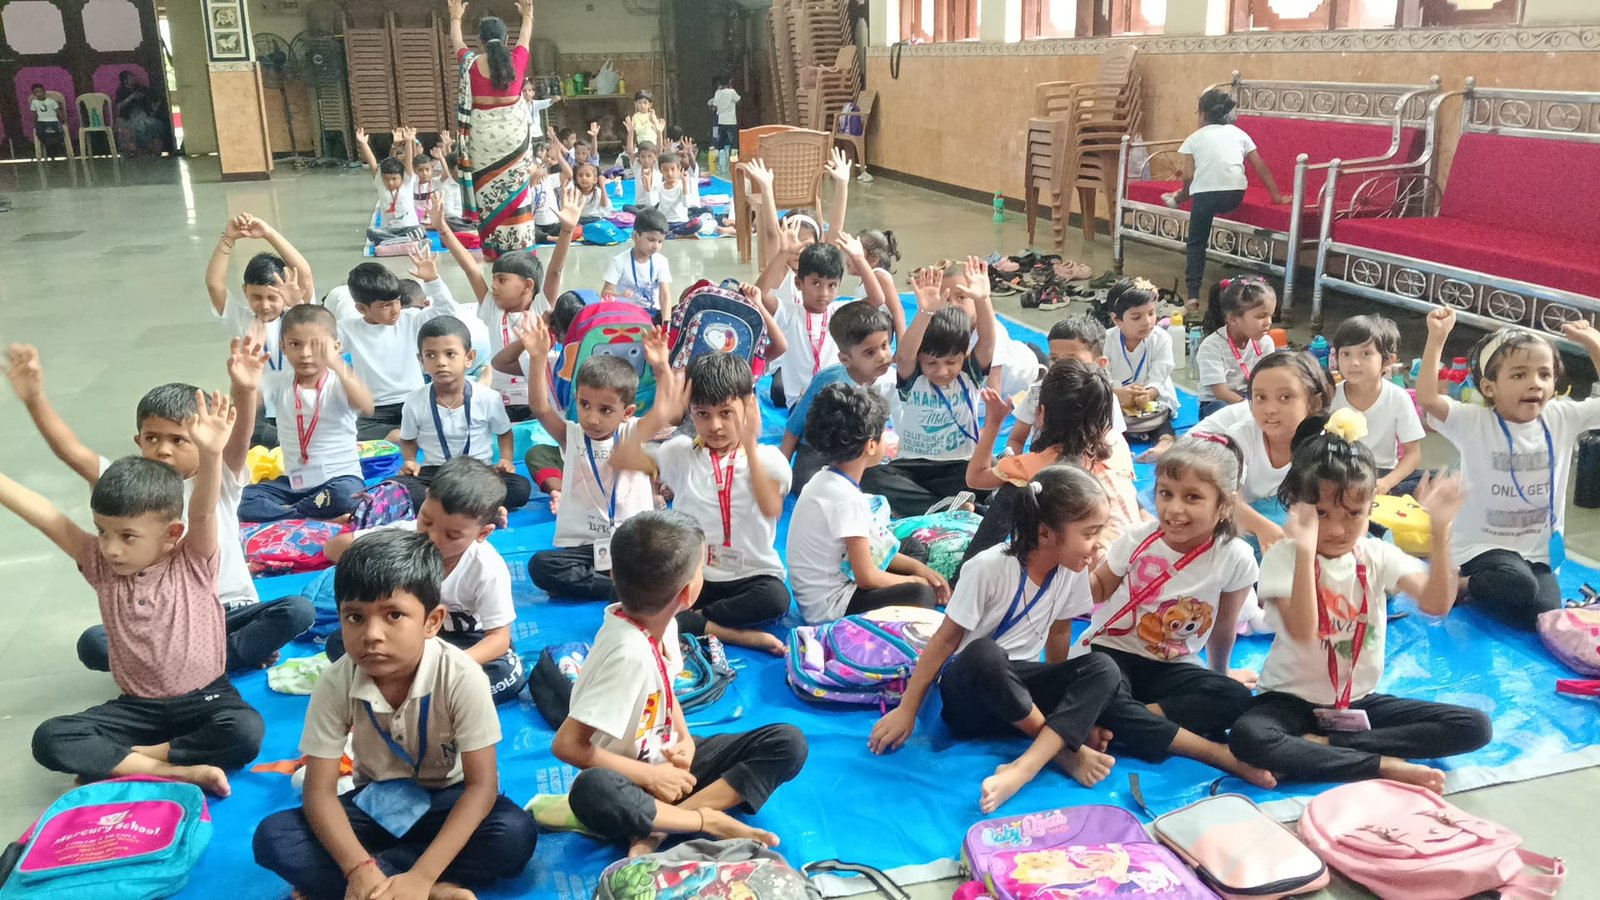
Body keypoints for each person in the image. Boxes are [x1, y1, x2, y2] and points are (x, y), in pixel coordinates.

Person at [252, 530, 537, 898]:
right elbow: (319, 792)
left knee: (514, 834)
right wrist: (359, 868)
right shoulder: (336, 681)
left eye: (394, 615)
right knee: (275, 838)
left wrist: (420, 875)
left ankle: (397, 882)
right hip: (378, 803)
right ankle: (431, 890)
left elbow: (481, 787)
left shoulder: (462, 676)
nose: (372, 634)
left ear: (432, 621)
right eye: (355, 617)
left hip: (448, 799)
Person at [6, 341, 314, 671]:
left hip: (228, 610)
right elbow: (71, 451)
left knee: (295, 611)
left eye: (178, 440)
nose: (163, 450)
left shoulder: (218, 475)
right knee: (94, 643)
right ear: (138, 441)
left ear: (205, 440)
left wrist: (245, 389)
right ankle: (220, 657)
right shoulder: (128, 486)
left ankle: (202, 660)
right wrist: (35, 399)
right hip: (161, 624)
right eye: (152, 438)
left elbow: (239, 436)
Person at [17, 394, 263, 794]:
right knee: (51, 737)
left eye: (127, 536)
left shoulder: (193, 559)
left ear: (172, 534)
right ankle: (176, 770)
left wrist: (211, 454)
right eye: (102, 532)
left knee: (245, 730)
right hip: (138, 707)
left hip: (205, 697)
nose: (111, 548)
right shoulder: (99, 563)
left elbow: (201, 511)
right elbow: (44, 514)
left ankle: (133, 758)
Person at [1229, 413, 1489, 791]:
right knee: (1248, 737)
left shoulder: (1375, 554)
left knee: (1474, 727)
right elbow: (1303, 631)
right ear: (1297, 507)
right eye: (1321, 514)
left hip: (1356, 702)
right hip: (1288, 701)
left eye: (1353, 514)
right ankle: (1380, 764)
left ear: (1371, 508)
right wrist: (1305, 552)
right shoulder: (1284, 556)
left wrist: (1439, 533)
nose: (1337, 529)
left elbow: (1436, 605)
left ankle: (1324, 748)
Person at [870, 465, 1123, 813]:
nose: (1098, 544)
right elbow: (944, 641)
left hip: (1020, 700)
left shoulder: (1073, 570)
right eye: (1090, 533)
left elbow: (1060, 631)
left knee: (1104, 667)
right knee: (984, 654)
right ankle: (1056, 754)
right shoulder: (987, 567)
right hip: (971, 695)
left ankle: (1040, 749)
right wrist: (907, 710)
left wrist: (1064, 700)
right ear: (1046, 533)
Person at [553, 510, 807, 856]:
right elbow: (567, 745)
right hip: (628, 778)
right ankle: (702, 820)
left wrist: (684, 740)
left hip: (667, 759)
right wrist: (650, 778)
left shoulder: (663, 624)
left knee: (788, 742)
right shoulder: (627, 654)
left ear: (613, 574)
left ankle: (662, 825)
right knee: (592, 790)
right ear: (688, 593)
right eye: (701, 568)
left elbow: (665, 688)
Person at [1076, 434, 1275, 787]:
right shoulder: (1138, 538)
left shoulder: (1236, 557)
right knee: (1099, 686)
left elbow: (1223, 628)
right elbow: (1100, 588)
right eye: (1165, 493)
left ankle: (1119, 722)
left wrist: (1220, 675)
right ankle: (1217, 754)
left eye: (1192, 497)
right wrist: (1068, 571)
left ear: (1225, 505)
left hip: (1171, 668)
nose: (1174, 509)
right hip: (1111, 654)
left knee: (1235, 699)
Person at [1419, 310, 1600, 630]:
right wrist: (1437, 338)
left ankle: (1487, 588)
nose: (1534, 383)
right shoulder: (1474, 421)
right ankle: (1462, 585)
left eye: (1544, 375)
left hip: (1538, 551)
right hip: (1482, 546)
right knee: (1517, 583)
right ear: (1489, 387)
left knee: (1543, 610)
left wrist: (1593, 344)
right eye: (1519, 375)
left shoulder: (1561, 417)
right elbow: (1429, 399)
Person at [612, 351, 791, 654]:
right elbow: (621, 458)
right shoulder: (681, 453)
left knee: (775, 600)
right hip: (694, 577)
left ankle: (686, 621)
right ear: (690, 412)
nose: (715, 426)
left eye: (726, 413)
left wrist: (749, 445)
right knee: (624, 591)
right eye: (702, 414)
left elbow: (771, 508)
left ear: (748, 406)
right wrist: (660, 414)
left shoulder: (769, 460)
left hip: (749, 577)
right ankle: (719, 630)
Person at [322, 459, 527, 703]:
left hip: (461, 643)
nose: (432, 537)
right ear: (425, 499)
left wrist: (448, 667)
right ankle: (419, 690)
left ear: (482, 533)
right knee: (340, 643)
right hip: (405, 634)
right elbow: (332, 548)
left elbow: (498, 640)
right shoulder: (404, 536)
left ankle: (404, 688)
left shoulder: (487, 567)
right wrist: (382, 554)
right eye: (427, 521)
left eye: (452, 534)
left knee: (507, 673)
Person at [522, 316, 666, 600]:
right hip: (585, 547)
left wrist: (661, 368)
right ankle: (621, 590)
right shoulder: (571, 435)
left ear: (627, 412)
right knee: (541, 566)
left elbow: (662, 411)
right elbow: (540, 408)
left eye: (605, 410)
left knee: (663, 556)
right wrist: (538, 358)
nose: (592, 418)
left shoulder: (633, 433)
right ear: (576, 399)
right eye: (584, 404)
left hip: (629, 543)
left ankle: (620, 585)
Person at [788, 383, 948, 623]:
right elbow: (866, 577)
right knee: (921, 594)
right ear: (871, 445)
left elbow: (872, 549)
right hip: (832, 607)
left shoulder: (824, 479)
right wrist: (914, 580)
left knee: (911, 549)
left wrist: (918, 569)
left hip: (823, 592)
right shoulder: (847, 500)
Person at [965, 360, 1141, 568]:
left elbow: (975, 477)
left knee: (1012, 491)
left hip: (1095, 570)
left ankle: (967, 570)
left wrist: (993, 423)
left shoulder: (1043, 463)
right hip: (1137, 556)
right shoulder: (1117, 442)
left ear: (1041, 412)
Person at [860, 262, 997, 518]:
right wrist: (925, 312)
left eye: (951, 362)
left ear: (964, 355)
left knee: (996, 469)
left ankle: (937, 505)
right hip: (912, 468)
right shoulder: (913, 378)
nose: (942, 371)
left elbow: (988, 340)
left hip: (960, 467)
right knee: (871, 476)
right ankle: (948, 506)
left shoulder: (970, 374)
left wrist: (983, 299)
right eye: (931, 362)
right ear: (920, 359)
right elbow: (905, 354)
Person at [237, 305, 376, 523]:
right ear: (282, 346)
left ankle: (290, 512)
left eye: (316, 345)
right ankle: (306, 513)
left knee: (345, 497)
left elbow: (367, 405)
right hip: (295, 483)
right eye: (295, 344)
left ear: (336, 347)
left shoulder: (340, 382)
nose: (305, 354)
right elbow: (242, 409)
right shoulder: (278, 381)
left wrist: (337, 363)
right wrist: (243, 384)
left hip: (340, 480)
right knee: (241, 499)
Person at [1163, 88, 1289, 314]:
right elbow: (1260, 166)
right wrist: (1276, 197)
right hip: (1234, 195)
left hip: (1206, 197)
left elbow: (1189, 176)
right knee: (1209, 203)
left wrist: (1182, 196)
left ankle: (1193, 297)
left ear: (1202, 115)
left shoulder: (1193, 139)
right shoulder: (1240, 134)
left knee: (1196, 243)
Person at [1192, 350, 1333, 550]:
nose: (1270, 409)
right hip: (1246, 525)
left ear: (1314, 402)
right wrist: (1262, 527)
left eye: (1285, 397)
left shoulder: (1325, 441)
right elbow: (1228, 499)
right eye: (1260, 397)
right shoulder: (1239, 438)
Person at [436, 195, 558, 421]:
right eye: (493, 279)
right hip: (500, 401)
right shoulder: (493, 310)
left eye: (502, 280)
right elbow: (471, 270)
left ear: (527, 285)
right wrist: (442, 228)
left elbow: (555, 271)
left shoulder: (541, 307)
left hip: (538, 398)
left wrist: (567, 232)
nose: (493, 286)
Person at [394, 316, 531, 511]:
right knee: (398, 488)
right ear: (421, 360)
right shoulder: (414, 400)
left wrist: (506, 460)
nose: (441, 362)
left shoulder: (488, 397)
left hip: (478, 470)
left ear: (469, 357)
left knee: (519, 488)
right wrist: (410, 460)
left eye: (450, 354)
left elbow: (504, 432)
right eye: (431, 355)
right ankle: (476, 506)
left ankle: (440, 504)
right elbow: (408, 439)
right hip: (435, 472)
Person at [204, 212, 316, 448]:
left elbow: (304, 273)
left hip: (299, 403)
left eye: (272, 297)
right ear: (245, 291)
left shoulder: (299, 312)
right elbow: (214, 284)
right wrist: (227, 239)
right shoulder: (240, 318)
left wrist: (268, 233)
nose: (264, 305)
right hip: (259, 409)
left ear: (285, 291)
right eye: (256, 297)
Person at [338, 252, 467, 442]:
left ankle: (404, 435)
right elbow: (313, 342)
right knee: (349, 431)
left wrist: (433, 281)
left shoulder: (411, 319)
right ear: (362, 308)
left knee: (451, 421)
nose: (396, 309)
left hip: (415, 401)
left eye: (397, 301)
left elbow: (447, 313)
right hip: (374, 412)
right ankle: (405, 435)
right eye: (386, 305)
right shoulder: (347, 329)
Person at [759, 227, 889, 411]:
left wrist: (859, 259)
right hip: (801, 402)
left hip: (838, 398)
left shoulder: (840, 313)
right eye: (816, 283)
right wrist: (783, 253)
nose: (824, 293)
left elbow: (877, 299)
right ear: (799, 283)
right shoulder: (788, 313)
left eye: (832, 285)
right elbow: (759, 294)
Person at [449, 0, 537, 259]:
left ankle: (492, 250)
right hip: (514, 140)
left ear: (480, 41)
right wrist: (528, 15)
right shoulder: (517, 60)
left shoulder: (470, 63)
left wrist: (455, 17)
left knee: (487, 192)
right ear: (506, 39)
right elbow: (525, 37)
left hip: (482, 142)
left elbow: (457, 42)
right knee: (518, 193)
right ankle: (520, 249)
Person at [781, 300, 897, 492]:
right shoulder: (829, 381)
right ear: (845, 359)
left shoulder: (892, 379)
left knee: (883, 482)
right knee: (807, 483)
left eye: (884, 345)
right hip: (822, 450)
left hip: (861, 451)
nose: (883, 356)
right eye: (870, 352)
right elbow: (795, 426)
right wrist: (781, 471)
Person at [1003, 314, 1128, 458]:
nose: (1061, 366)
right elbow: (1016, 440)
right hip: (1043, 466)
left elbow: (1117, 446)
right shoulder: (1038, 393)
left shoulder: (1105, 398)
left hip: (1089, 468)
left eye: (1071, 359)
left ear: (1100, 364)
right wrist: (1014, 465)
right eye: (1054, 359)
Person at [1103, 277, 1178, 455]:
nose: (1147, 322)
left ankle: (1165, 442)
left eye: (1151, 313)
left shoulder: (1162, 339)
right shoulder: (1105, 340)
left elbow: (1159, 376)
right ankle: (1115, 446)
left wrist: (1148, 394)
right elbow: (1101, 377)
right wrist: (1117, 394)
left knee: (1161, 420)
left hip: (1151, 397)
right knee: (1105, 419)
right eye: (1136, 317)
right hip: (1115, 398)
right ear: (1116, 319)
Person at [1195, 276, 1277, 417]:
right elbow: (1221, 393)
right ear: (1233, 318)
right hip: (1220, 402)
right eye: (1261, 316)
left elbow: (1269, 380)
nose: (1268, 322)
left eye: (1271, 315)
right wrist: (1250, 408)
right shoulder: (1211, 347)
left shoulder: (1266, 342)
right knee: (1220, 410)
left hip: (1252, 399)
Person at [356, 126, 425, 247]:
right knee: (371, 232)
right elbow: (373, 163)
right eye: (387, 179)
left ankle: (394, 242)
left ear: (402, 177)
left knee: (420, 230)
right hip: (388, 230)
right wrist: (363, 143)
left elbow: (409, 161)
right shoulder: (380, 184)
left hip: (408, 228)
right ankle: (402, 241)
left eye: (394, 179)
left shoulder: (407, 182)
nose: (390, 183)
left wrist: (409, 141)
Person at [602, 208, 673, 321]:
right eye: (651, 240)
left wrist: (666, 323)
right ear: (635, 236)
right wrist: (620, 295)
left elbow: (665, 295)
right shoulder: (618, 261)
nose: (656, 246)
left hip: (652, 314)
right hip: (625, 316)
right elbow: (605, 294)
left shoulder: (661, 261)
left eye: (660, 241)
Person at [113, 71, 165, 156]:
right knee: (139, 128)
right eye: (131, 77)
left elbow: (151, 100)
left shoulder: (141, 89)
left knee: (158, 125)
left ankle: (156, 151)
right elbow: (119, 107)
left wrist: (155, 105)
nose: (134, 78)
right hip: (130, 116)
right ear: (125, 80)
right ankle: (142, 151)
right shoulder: (122, 91)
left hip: (144, 114)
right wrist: (132, 97)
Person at [707, 76, 740, 174]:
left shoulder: (717, 93)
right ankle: (733, 164)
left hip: (718, 122)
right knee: (733, 143)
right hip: (731, 121)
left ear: (719, 84)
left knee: (716, 140)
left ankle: (714, 166)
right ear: (730, 82)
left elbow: (714, 108)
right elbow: (738, 100)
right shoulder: (732, 92)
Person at [29, 84, 68, 158]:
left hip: (53, 121)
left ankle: (57, 147)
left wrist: (63, 120)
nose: (39, 93)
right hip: (41, 121)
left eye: (41, 91)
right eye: (37, 92)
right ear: (34, 94)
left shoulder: (51, 101)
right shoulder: (34, 102)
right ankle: (49, 148)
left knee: (59, 132)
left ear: (44, 92)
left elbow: (58, 111)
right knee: (40, 133)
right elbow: (34, 114)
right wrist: (35, 123)